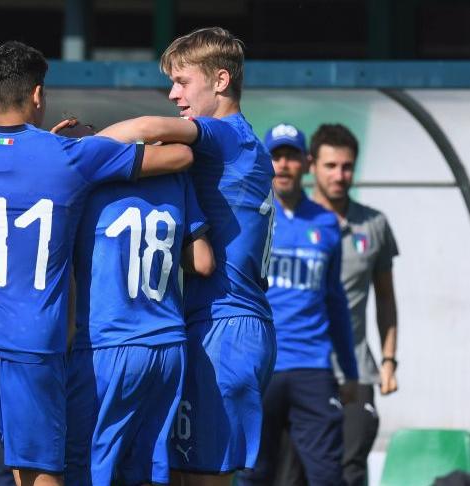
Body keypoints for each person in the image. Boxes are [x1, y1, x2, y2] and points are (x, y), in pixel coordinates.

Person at [0, 40, 194, 486]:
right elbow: (181, 153)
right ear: (38, 95)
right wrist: (98, 141)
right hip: (34, 340)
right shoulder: (74, 158)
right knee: (39, 473)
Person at [97, 27, 276, 485]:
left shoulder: (226, 135)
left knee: (201, 479)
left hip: (225, 327)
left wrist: (73, 154)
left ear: (220, 81)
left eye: (182, 81)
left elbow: (147, 129)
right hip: (223, 323)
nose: (173, 94)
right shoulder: (238, 143)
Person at [65, 165, 215, 484]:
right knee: (143, 470)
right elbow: (203, 261)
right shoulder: (176, 179)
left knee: (86, 466)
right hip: (168, 347)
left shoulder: (86, 177)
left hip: (109, 345)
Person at [237, 124, 359, 486]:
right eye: (277, 156)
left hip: (313, 367)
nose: (284, 165)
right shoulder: (247, 215)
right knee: (253, 473)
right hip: (261, 364)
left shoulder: (326, 222)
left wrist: (349, 371)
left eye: (291, 157)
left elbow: (335, 301)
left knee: (327, 475)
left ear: (306, 163)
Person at [311, 123, 399, 485]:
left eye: (347, 166)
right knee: (293, 472)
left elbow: (386, 299)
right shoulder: (288, 222)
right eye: (330, 166)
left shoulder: (374, 224)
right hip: (303, 367)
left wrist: (390, 361)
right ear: (311, 165)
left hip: (357, 371)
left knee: (350, 471)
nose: (339, 175)